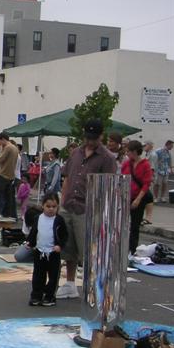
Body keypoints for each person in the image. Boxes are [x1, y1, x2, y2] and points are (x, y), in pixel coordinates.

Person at [57, 119, 117, 299]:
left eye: (93, 138)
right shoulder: (76, 152)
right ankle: (69, 283)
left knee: (88, 251)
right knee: (68, 248)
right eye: (87, 137)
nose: (89, 141)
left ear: (101, 136)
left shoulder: (107, 158)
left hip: (88, 208)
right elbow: (67, 177)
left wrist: (102, 212)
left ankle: (93, 285)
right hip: (69, 205)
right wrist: (63, 200)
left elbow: (109, 186)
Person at [26, 193, 68, 307]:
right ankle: (36, 295)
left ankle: (49, 296)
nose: (51, 209)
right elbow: (34, 232)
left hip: (53, 253)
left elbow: (64, 235)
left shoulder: (59, 220)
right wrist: (30, 242)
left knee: (53, 276)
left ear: (58, 207)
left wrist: (60, 245)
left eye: (54, 207)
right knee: (38, 275)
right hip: (40, 252)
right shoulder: (38, 218)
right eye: (48, 206)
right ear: (42, 206)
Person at [121, 140, 154, 256]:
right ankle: (122, 247)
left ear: (135, 151)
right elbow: (121, 177)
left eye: (129, 151)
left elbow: (146, 184)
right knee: (122, 224)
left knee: (134, 225)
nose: (127, 153)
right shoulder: (126, 163)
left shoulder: (145, 164)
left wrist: (138, 199)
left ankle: (132, 249)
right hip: (125, 197)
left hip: (138, 197)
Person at [0, 133, 18, 218]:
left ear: (2, 139)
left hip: (2, 174)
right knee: (8, 197)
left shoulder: (7, 148)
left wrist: (2, 149)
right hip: (10, 175)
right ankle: (8, 214)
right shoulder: (15, 148)